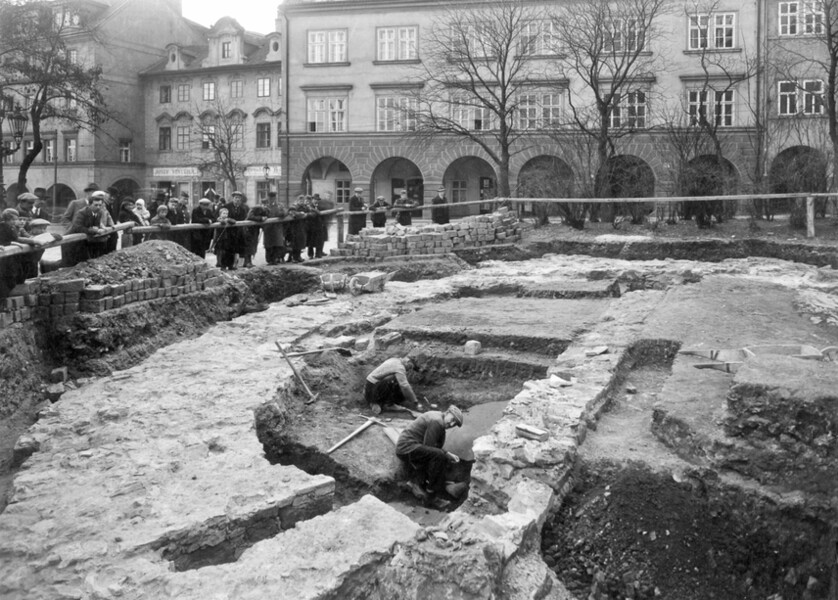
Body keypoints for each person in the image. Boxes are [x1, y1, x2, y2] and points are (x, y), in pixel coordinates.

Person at [395, 406, 464, 502]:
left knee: (440, 456)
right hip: (406, 448)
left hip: (413, 446)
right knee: (438, 456)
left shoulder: (439, 420)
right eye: (452, 419)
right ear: (447, 412)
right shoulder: (436, 421)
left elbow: (434, 447)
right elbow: (430, 446)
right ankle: (430, 490)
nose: (451, 424)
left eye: (454, 424)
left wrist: (447, 453)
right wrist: (443, 455)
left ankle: (429, 483)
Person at [66, 192, 115, 262]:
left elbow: (96, 225)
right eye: (96, 205)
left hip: (84, 240)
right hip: (72, 242)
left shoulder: (99, 212)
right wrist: (95, 230)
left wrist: (100, 227)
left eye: (100, 205)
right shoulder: (81, 213)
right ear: (89, 205)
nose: (98, 207)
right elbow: (77, 227)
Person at [262, 192, 287, 264]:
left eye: (273, 198)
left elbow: (285, 212)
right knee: (268, 245)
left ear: (275, 198)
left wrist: (282, 214)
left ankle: (275, 259)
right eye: (270, 198)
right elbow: (262, 214)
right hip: (268, 228)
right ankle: (269, 260)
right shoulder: (265, 206)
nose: (271, 200)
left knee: (277, 244)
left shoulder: (279, 206)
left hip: (277, 228)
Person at [244, 199, 269, 267]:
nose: (265, 206)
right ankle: (247, 262)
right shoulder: (255, 208)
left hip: (255, 230)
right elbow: (250, 217)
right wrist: (260, 218)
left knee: (253, 245)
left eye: (266, 204)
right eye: (264, 204)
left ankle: (249, 262)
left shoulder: (266, 210)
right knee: (249, 245)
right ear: (261, 204)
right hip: (248, 229)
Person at [285, 194, 310, 263]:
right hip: (294, 228)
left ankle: (298, 256)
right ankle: (294, 257)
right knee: (295, 243)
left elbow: (309, 211)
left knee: (301, 243)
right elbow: (292, 213)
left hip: (302, 227)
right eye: (300, 200)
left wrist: (306, 212)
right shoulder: (294, 206)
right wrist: (301, 214)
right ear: (297, 200)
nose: (301, 202)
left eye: (303, 200)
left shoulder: (304, 206)